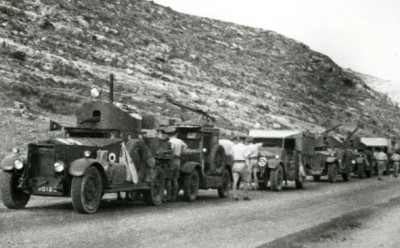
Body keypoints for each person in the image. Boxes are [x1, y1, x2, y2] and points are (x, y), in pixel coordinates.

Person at [165, 126, 187, 202]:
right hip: (178, 160)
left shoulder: (170, 142)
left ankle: (168, 197)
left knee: (168, 179)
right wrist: (181, 152)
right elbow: (185, 146)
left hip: (171, 160)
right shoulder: (180, 141)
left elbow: (169, 151)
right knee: (175, 179)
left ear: (168, 134)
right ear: (175, 134)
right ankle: (174, 197)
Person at [230, 135, 251, 200]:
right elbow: (246, 157)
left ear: (239, 140)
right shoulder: (245, 147)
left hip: (235, 164)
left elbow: (232, 156)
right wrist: (248, 167)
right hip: (242, 164)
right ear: (244, 140)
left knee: (235, 181)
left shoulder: (234, 147)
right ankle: (245, 196)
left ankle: (235, 196)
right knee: (245, 181)